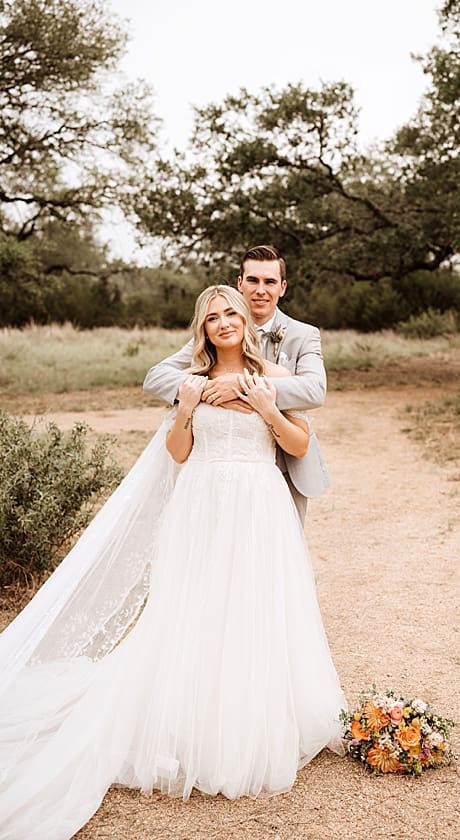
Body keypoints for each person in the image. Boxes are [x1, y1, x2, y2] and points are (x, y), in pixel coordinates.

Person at [0, 285, 345, 839]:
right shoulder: (190, 378)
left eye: (231, 313)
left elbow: (299, 445)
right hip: (201, 502)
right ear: (202, 328)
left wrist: (265, 407)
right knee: (197, 606)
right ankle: (188, 716)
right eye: (213, 317)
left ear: (246, 319)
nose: (224, 322)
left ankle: (251, 717)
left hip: (259, 503)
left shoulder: (272, 376)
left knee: (254, 604)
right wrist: (186, 408)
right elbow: (179, 452)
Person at [145, 244, 330, 519]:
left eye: (269, 282)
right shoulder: (216, 330)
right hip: (217, 469)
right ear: (240, 284)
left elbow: (314, 390)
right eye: (253, 281)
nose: (260, 290)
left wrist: (241, 386)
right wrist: (209, 389)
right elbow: (156, 377)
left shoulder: (303, 335)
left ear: (282, 287)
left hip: (287, 466)